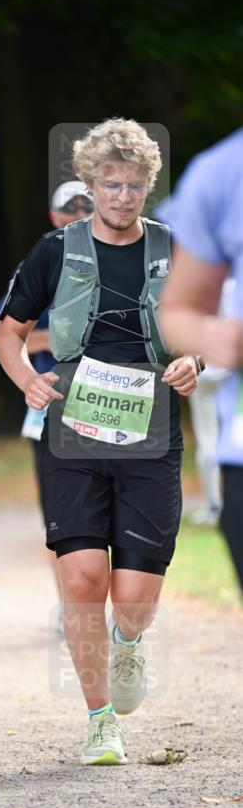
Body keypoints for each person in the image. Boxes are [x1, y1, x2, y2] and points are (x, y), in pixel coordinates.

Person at [0, 118, 200, 766]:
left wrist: (193, 359)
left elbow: (202, 323)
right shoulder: (55, 250)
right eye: (110, 184)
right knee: (82, 577)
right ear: (90, 185)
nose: (122, 196)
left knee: (134, 598)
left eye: (134, 185)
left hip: (151, 432)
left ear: (148, 186)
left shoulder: (173, 250)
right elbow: (8, 330)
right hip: (72, 433)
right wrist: (27, 380)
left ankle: (128, 642)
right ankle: (99, 721)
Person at [0, 181, 94, 630]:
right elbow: (0, 330)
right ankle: (70, 604)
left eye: (86, 207)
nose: (78, 215)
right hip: (53, 402)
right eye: (69, 209)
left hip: (113, 401)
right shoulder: (41, 261)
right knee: (62, 513)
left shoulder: (123, 257)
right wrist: (60, 339)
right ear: (53, 216)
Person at [158, 127, 243, 589]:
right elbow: (178, 312)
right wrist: (216, 340)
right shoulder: (221, 171)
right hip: (240, 445)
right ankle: (212, 501)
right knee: (207, 438)